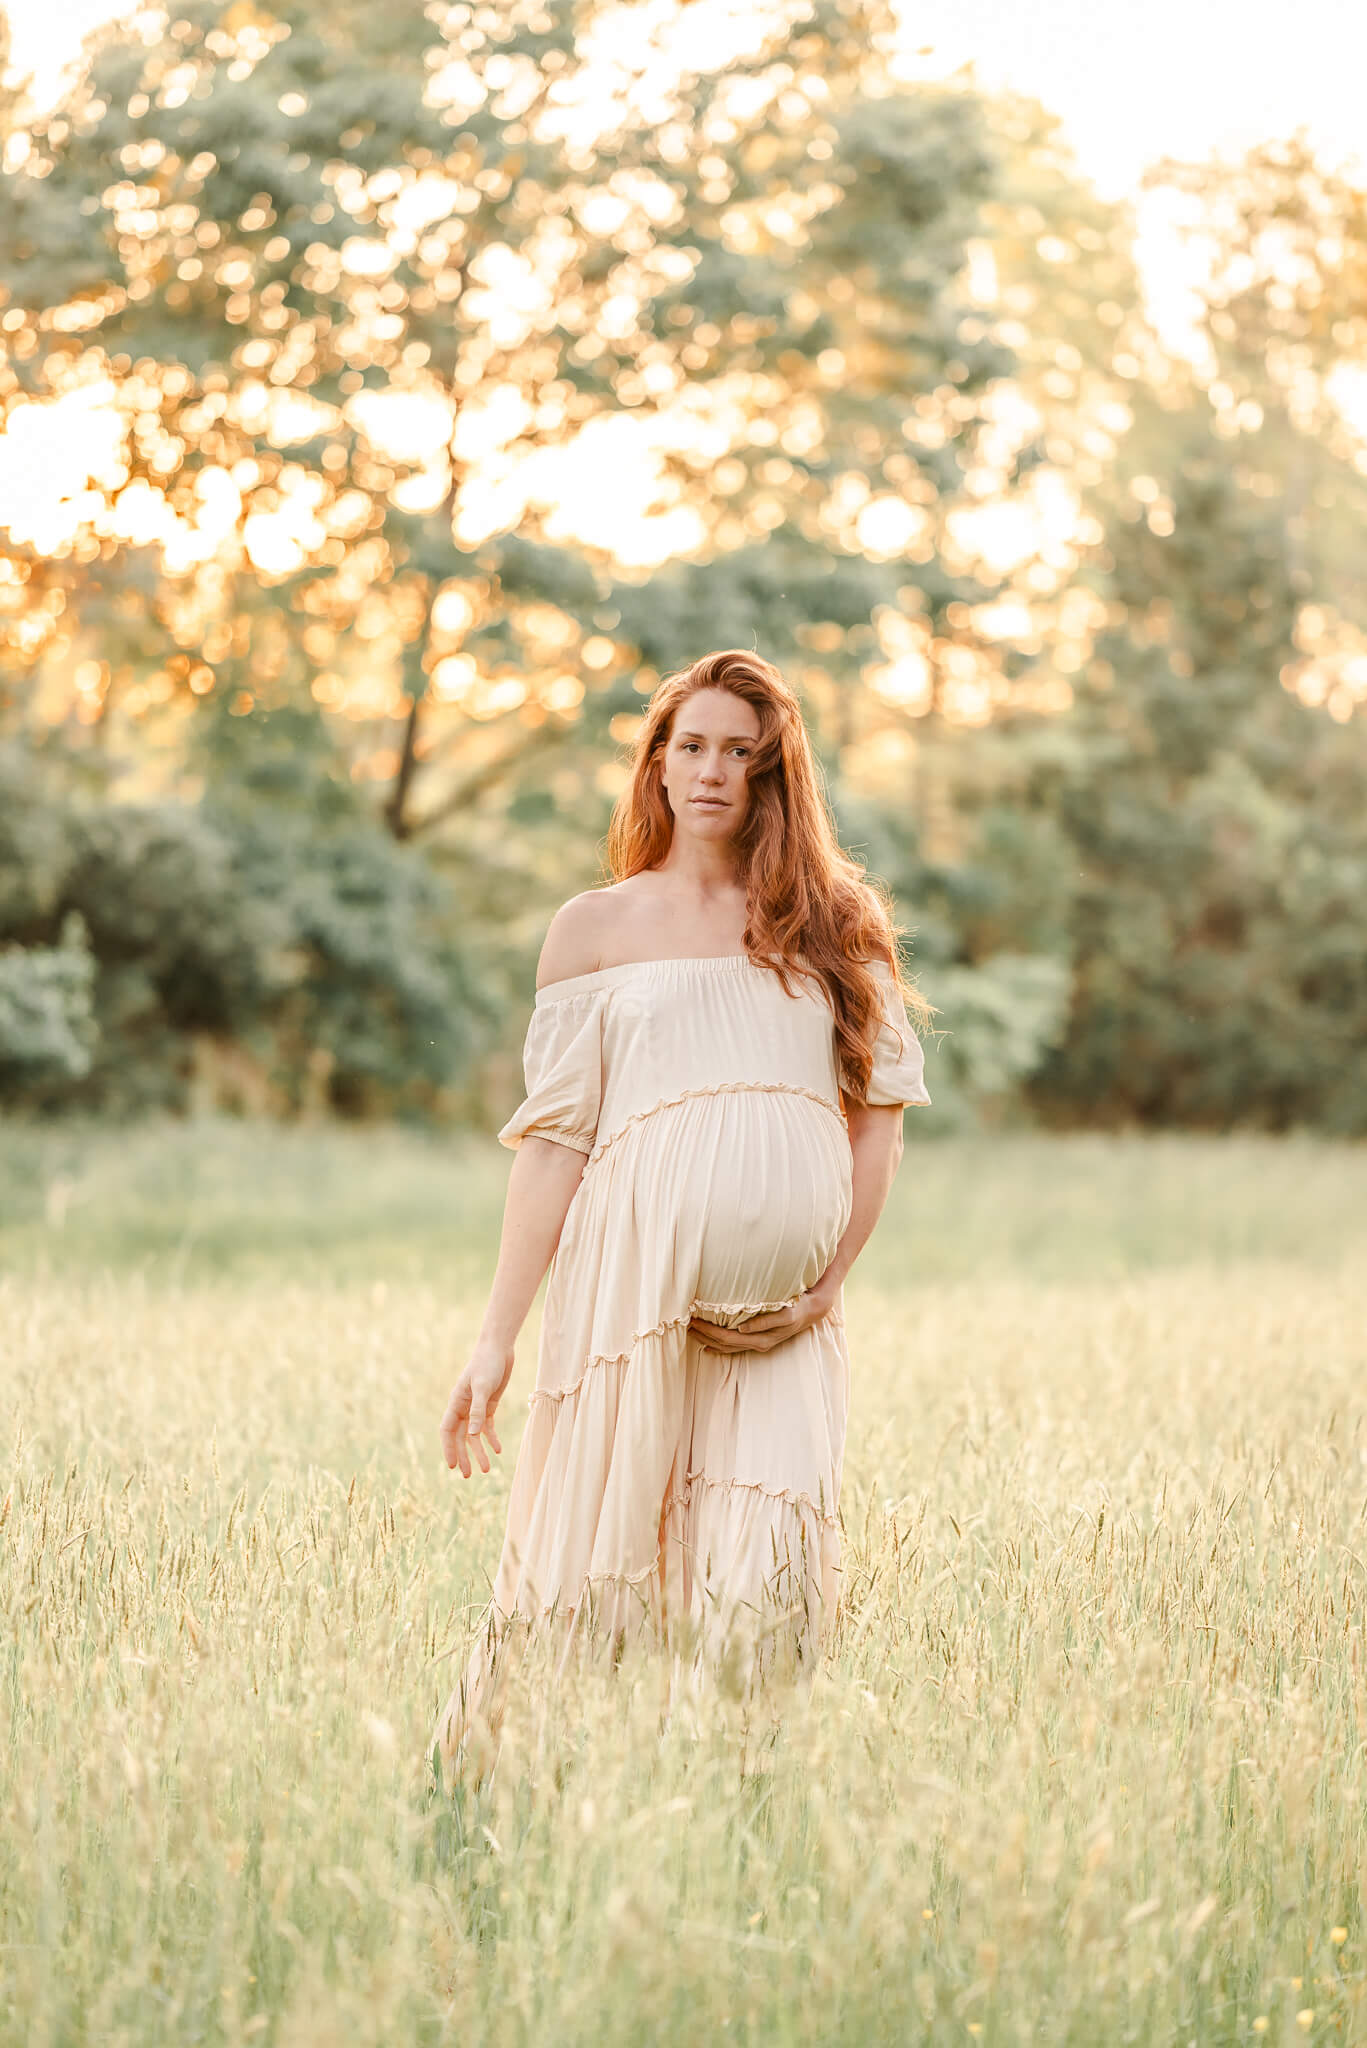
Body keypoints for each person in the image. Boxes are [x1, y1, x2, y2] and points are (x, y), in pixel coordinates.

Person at [432, 648, 932, 1774]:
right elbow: (554, 1144)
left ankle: (736, 1796)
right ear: (656, 764)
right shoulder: (594, 927)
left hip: (783, 1319)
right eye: (689, 745)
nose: (711, 771)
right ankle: (507, 1782)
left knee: (767, 1571)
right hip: (626, 1290)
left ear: (773, 777)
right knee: (591, 1543)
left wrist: (824, 1283)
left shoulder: (830, 923)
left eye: (739, 754)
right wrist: (494, 1335)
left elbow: (878, 1119)